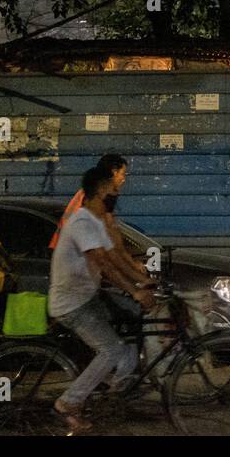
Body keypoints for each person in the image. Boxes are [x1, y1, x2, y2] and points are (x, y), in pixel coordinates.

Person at [49, 165, 155, 432]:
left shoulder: (96, 221)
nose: (117, 193)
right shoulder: (82, 222)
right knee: (111, 350)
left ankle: (110, 395)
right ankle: (67, 403)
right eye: (113, 189)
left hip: (86, 297)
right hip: (71, 304)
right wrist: (135, 290)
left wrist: (143, 280)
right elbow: (103, 264)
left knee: (128, 342)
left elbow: (116, 258)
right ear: (100, 191)